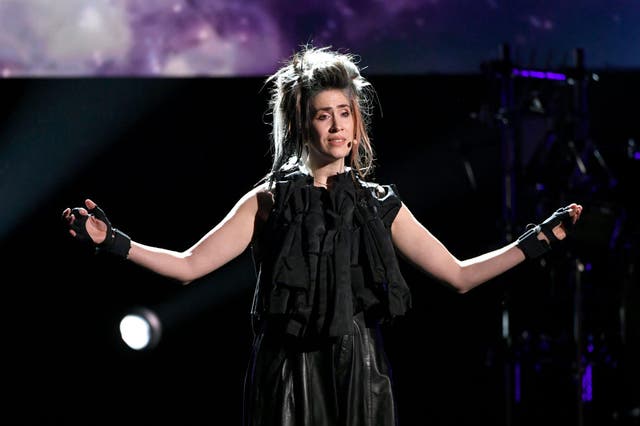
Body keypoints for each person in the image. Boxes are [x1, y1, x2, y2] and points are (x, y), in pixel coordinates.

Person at [62, 45, 583, 426]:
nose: (337, 126)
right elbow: (189, 265)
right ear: (301, 124)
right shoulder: (267, 200)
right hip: (286, 373)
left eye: (345, 114)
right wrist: (114, 242)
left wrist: (539, 240)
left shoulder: (378, 203)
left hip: (359, 371)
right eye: (323, 116)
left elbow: (460, 275)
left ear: (357, 124)